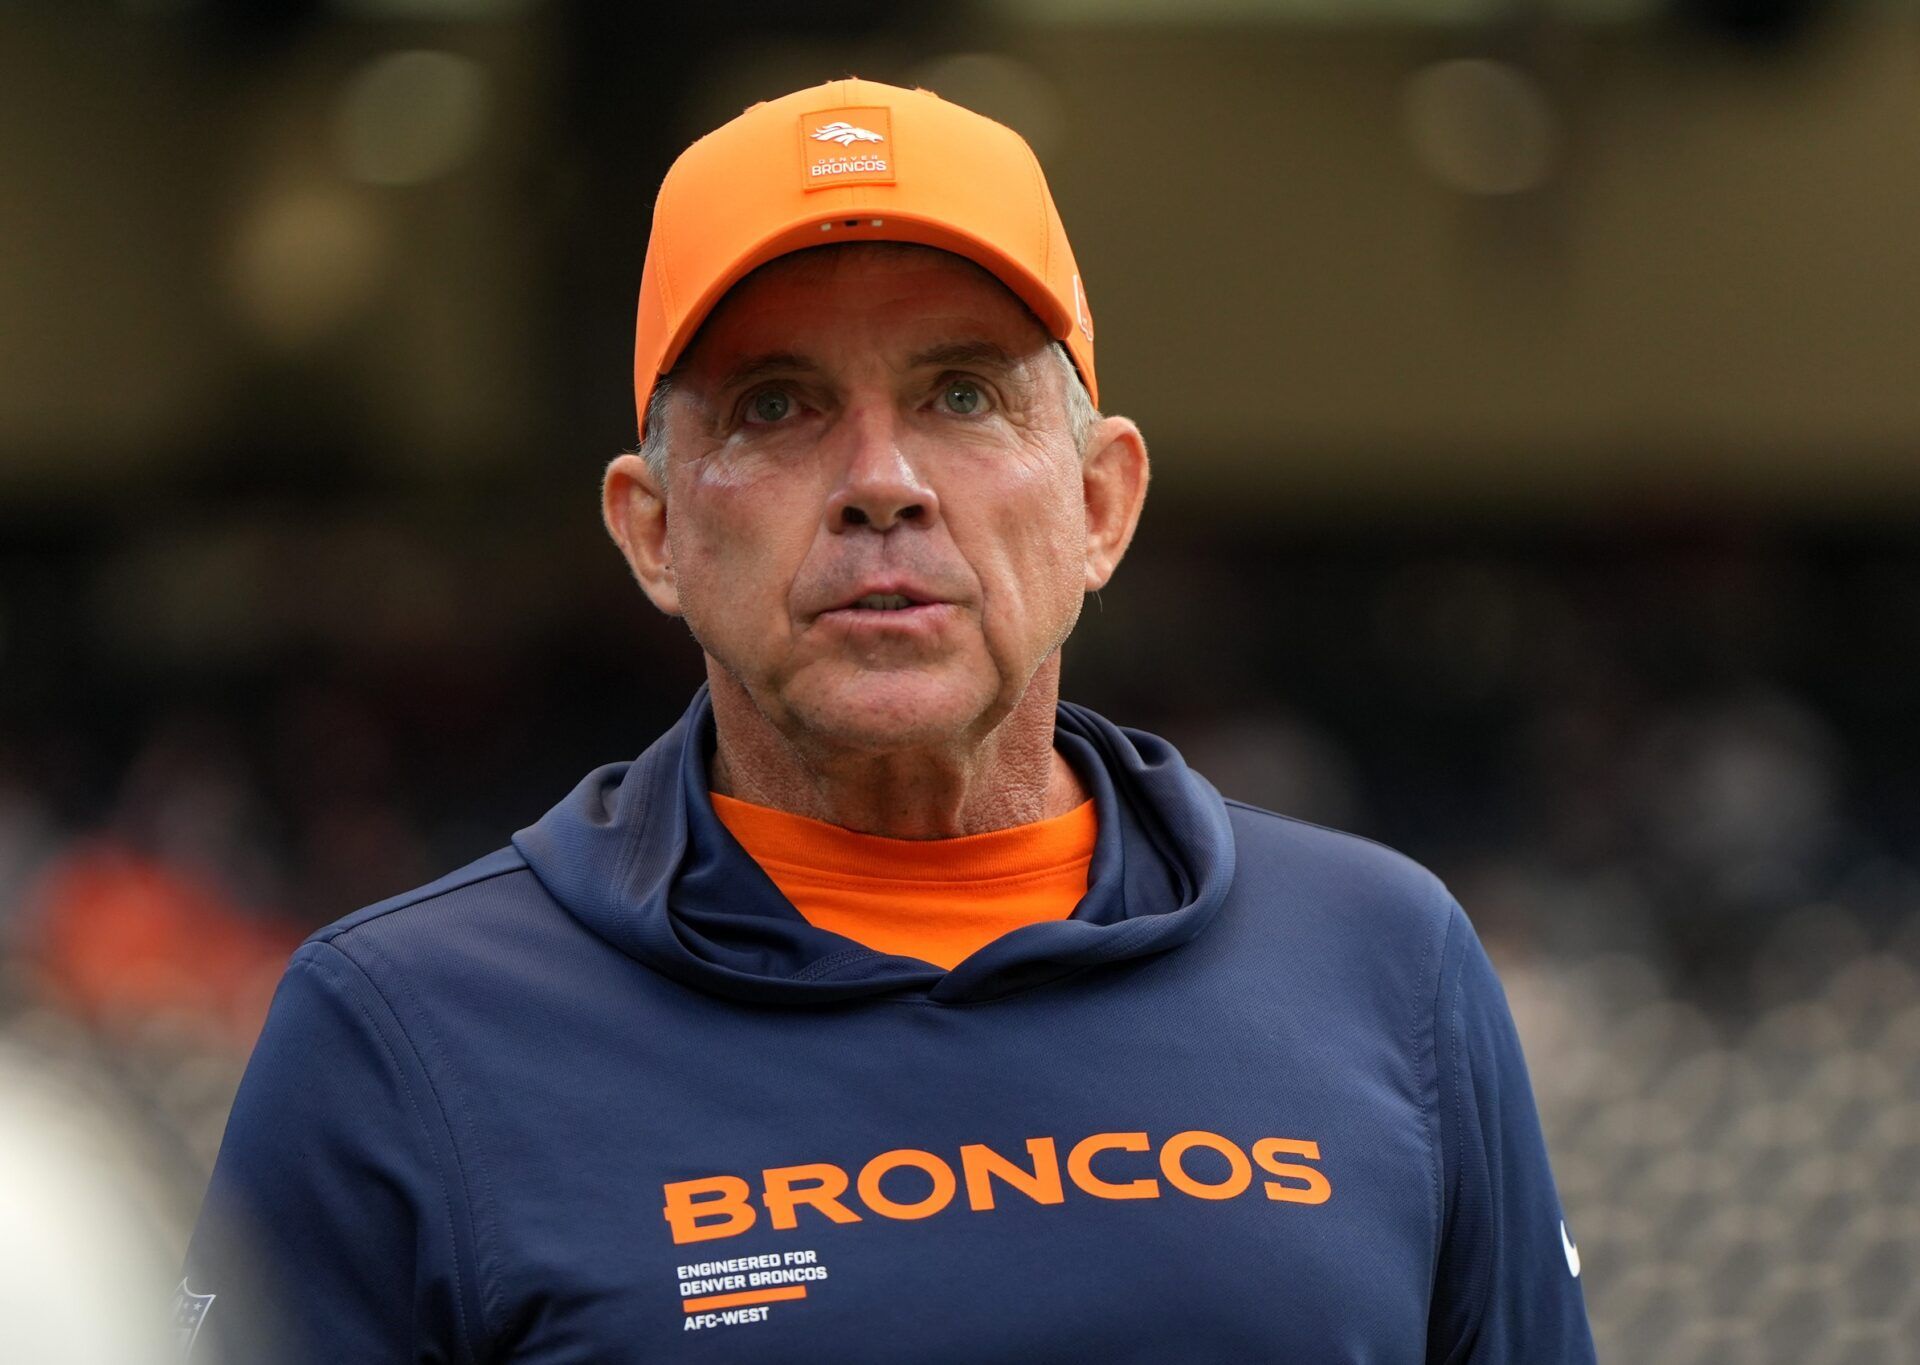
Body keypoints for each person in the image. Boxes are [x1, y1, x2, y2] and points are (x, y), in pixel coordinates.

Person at [183, 78, 1597, 1363]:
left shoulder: (1385, 963)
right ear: (654, 529)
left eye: (962, 393)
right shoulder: (402, 1031)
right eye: (776, 405)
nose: (881, 481)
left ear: (1101, 503)